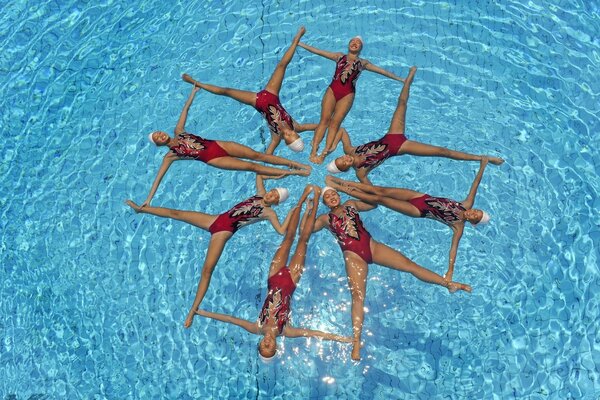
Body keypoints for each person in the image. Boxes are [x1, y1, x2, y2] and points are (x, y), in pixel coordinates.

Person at [313, 185, 471, 360]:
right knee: (358, 297)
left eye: (334, 193)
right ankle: (356, 342)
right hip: (353, 256)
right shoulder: (324, 219)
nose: (332, 197)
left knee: (410, 265)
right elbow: (305, 231)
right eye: (328, 196)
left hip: (372, 246)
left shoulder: (351, 204)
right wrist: (311, 206)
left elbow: (373, 205)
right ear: (324, 202)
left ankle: (448, 284)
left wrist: (359, 193)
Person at [195, 186, 352, 360]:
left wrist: (201, 312)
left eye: (264, 347)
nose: (268, 344)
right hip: (291, 280)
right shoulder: (287, 331)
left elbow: (230, 319)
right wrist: (342, 339)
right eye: (271, 348)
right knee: (303, 241)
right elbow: (314, 333)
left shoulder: (257, 327)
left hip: (273, 276)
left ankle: (301, 199)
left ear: (260, 343)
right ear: (276, 346)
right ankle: (314, 202)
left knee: (288, 238)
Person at [126, 174, 298, 327]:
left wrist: (290, 213)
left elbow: (281, 230)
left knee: (207, 271)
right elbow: (259, 174)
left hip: (223, 233)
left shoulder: (269, 213)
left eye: (275, 196)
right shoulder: (260, 193)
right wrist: (278, 177)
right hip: (214, 219)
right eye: (273, 191)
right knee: (177, 213)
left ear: (276, 202)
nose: (271, 194)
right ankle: (142, 209)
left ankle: (193, 310)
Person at [326, 67, 504, 184]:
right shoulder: (361, 172)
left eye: (341, 159)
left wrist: (332, 146)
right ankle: (482, 158)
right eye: (344, 164)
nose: (346, 160)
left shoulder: (350, 150)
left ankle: (408, 79)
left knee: (401, 103)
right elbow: (371, 192)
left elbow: (341, 130)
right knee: (443, 152)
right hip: (400, 147)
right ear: (346, 169)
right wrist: (344, 186)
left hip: (392, 135)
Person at [326, 156, 490, 282]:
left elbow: (453, 248)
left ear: (473, 222)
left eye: (475, 217)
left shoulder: (458, 225)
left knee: (380, 199)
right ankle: (342, 181)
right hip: (420, 197)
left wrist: (450, 270)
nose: (473, 213)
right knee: (380, 191)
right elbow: (475, 185)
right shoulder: (466, 204)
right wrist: (483, 166)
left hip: (417, 210)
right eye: (476, 211)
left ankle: (341, 187)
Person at [144, 84, 310, 208]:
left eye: (158, 132)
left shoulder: (178, 131)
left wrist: (192, 94)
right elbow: (159, 177)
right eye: (157, 138)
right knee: (252, 166)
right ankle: (294, 172)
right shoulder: (171, 155)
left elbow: (185, 111)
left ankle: (297, 165)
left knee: (258, 156)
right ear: (158, 144)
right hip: (213, 158)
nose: (160, 135)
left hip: (219, 145)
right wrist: (149, 199)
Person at [182, 27, 317, 155]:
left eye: (287, 138)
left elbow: (268, 156)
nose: (288, 133)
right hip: (272, 94)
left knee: (226, 91)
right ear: (297, 134)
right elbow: (320, 126)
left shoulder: (276, 137)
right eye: (293, 135)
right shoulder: (296, 126)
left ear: (286, 143)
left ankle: (196, 83)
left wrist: (266, 173)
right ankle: (296, 39)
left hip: (257, 101)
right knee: (282, 65)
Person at [298, 35, 406, 164]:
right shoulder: (339, 57)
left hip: (347, 95)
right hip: (332, 91)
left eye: (358, 43)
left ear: (360, 48)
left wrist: (400, 79)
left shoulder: (362, 63)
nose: (354, 43)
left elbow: (382, 71)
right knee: (324, 120)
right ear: (348, 44)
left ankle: (324, 154)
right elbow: (318, 51)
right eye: (352, 41)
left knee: (335, 124)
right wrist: (300, 44)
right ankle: (314, 151)